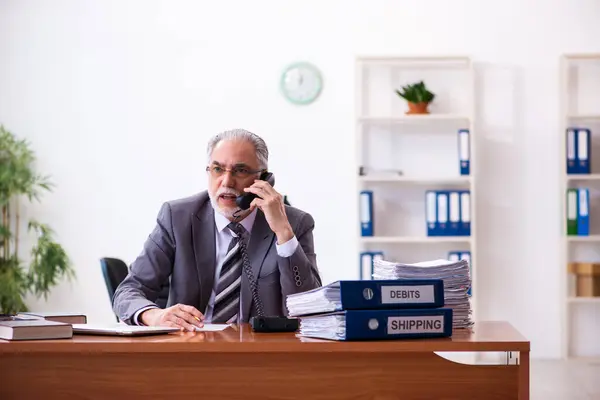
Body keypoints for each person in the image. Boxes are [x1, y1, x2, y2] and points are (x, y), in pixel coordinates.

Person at [112, 129, 322, 331]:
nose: (226, 181)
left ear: (264, 179)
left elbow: (308, 308)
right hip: (189, 351)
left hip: (261, 357)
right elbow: (128, 292)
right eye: (218, 169)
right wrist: (155, 316)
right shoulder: (177, 217)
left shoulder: (294, 223)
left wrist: (284, 234)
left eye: (240, 170)